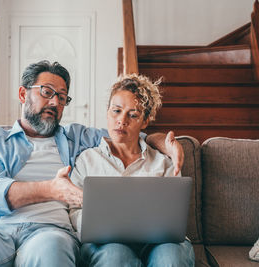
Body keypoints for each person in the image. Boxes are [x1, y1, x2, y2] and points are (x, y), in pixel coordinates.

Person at [0, 61, 184, 267]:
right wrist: (52, 190)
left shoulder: (76, 137)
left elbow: (127, 133)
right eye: (46, 92)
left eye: (62, 97)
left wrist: (165, 142)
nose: (55, 102)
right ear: (23, 94)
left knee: (52, 253)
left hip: (50, 230)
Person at [69, 74, 195, 267]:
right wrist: (96, 225)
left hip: (159, 243)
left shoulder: (164, 163)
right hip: (106, 244)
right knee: (115, 258)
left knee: (170, 258)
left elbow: (173, 215)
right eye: (116, 111)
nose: (122, 120)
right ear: (107, 112)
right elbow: (74, 209)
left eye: (133, 114)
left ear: (145, 121)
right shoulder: (87, 159)